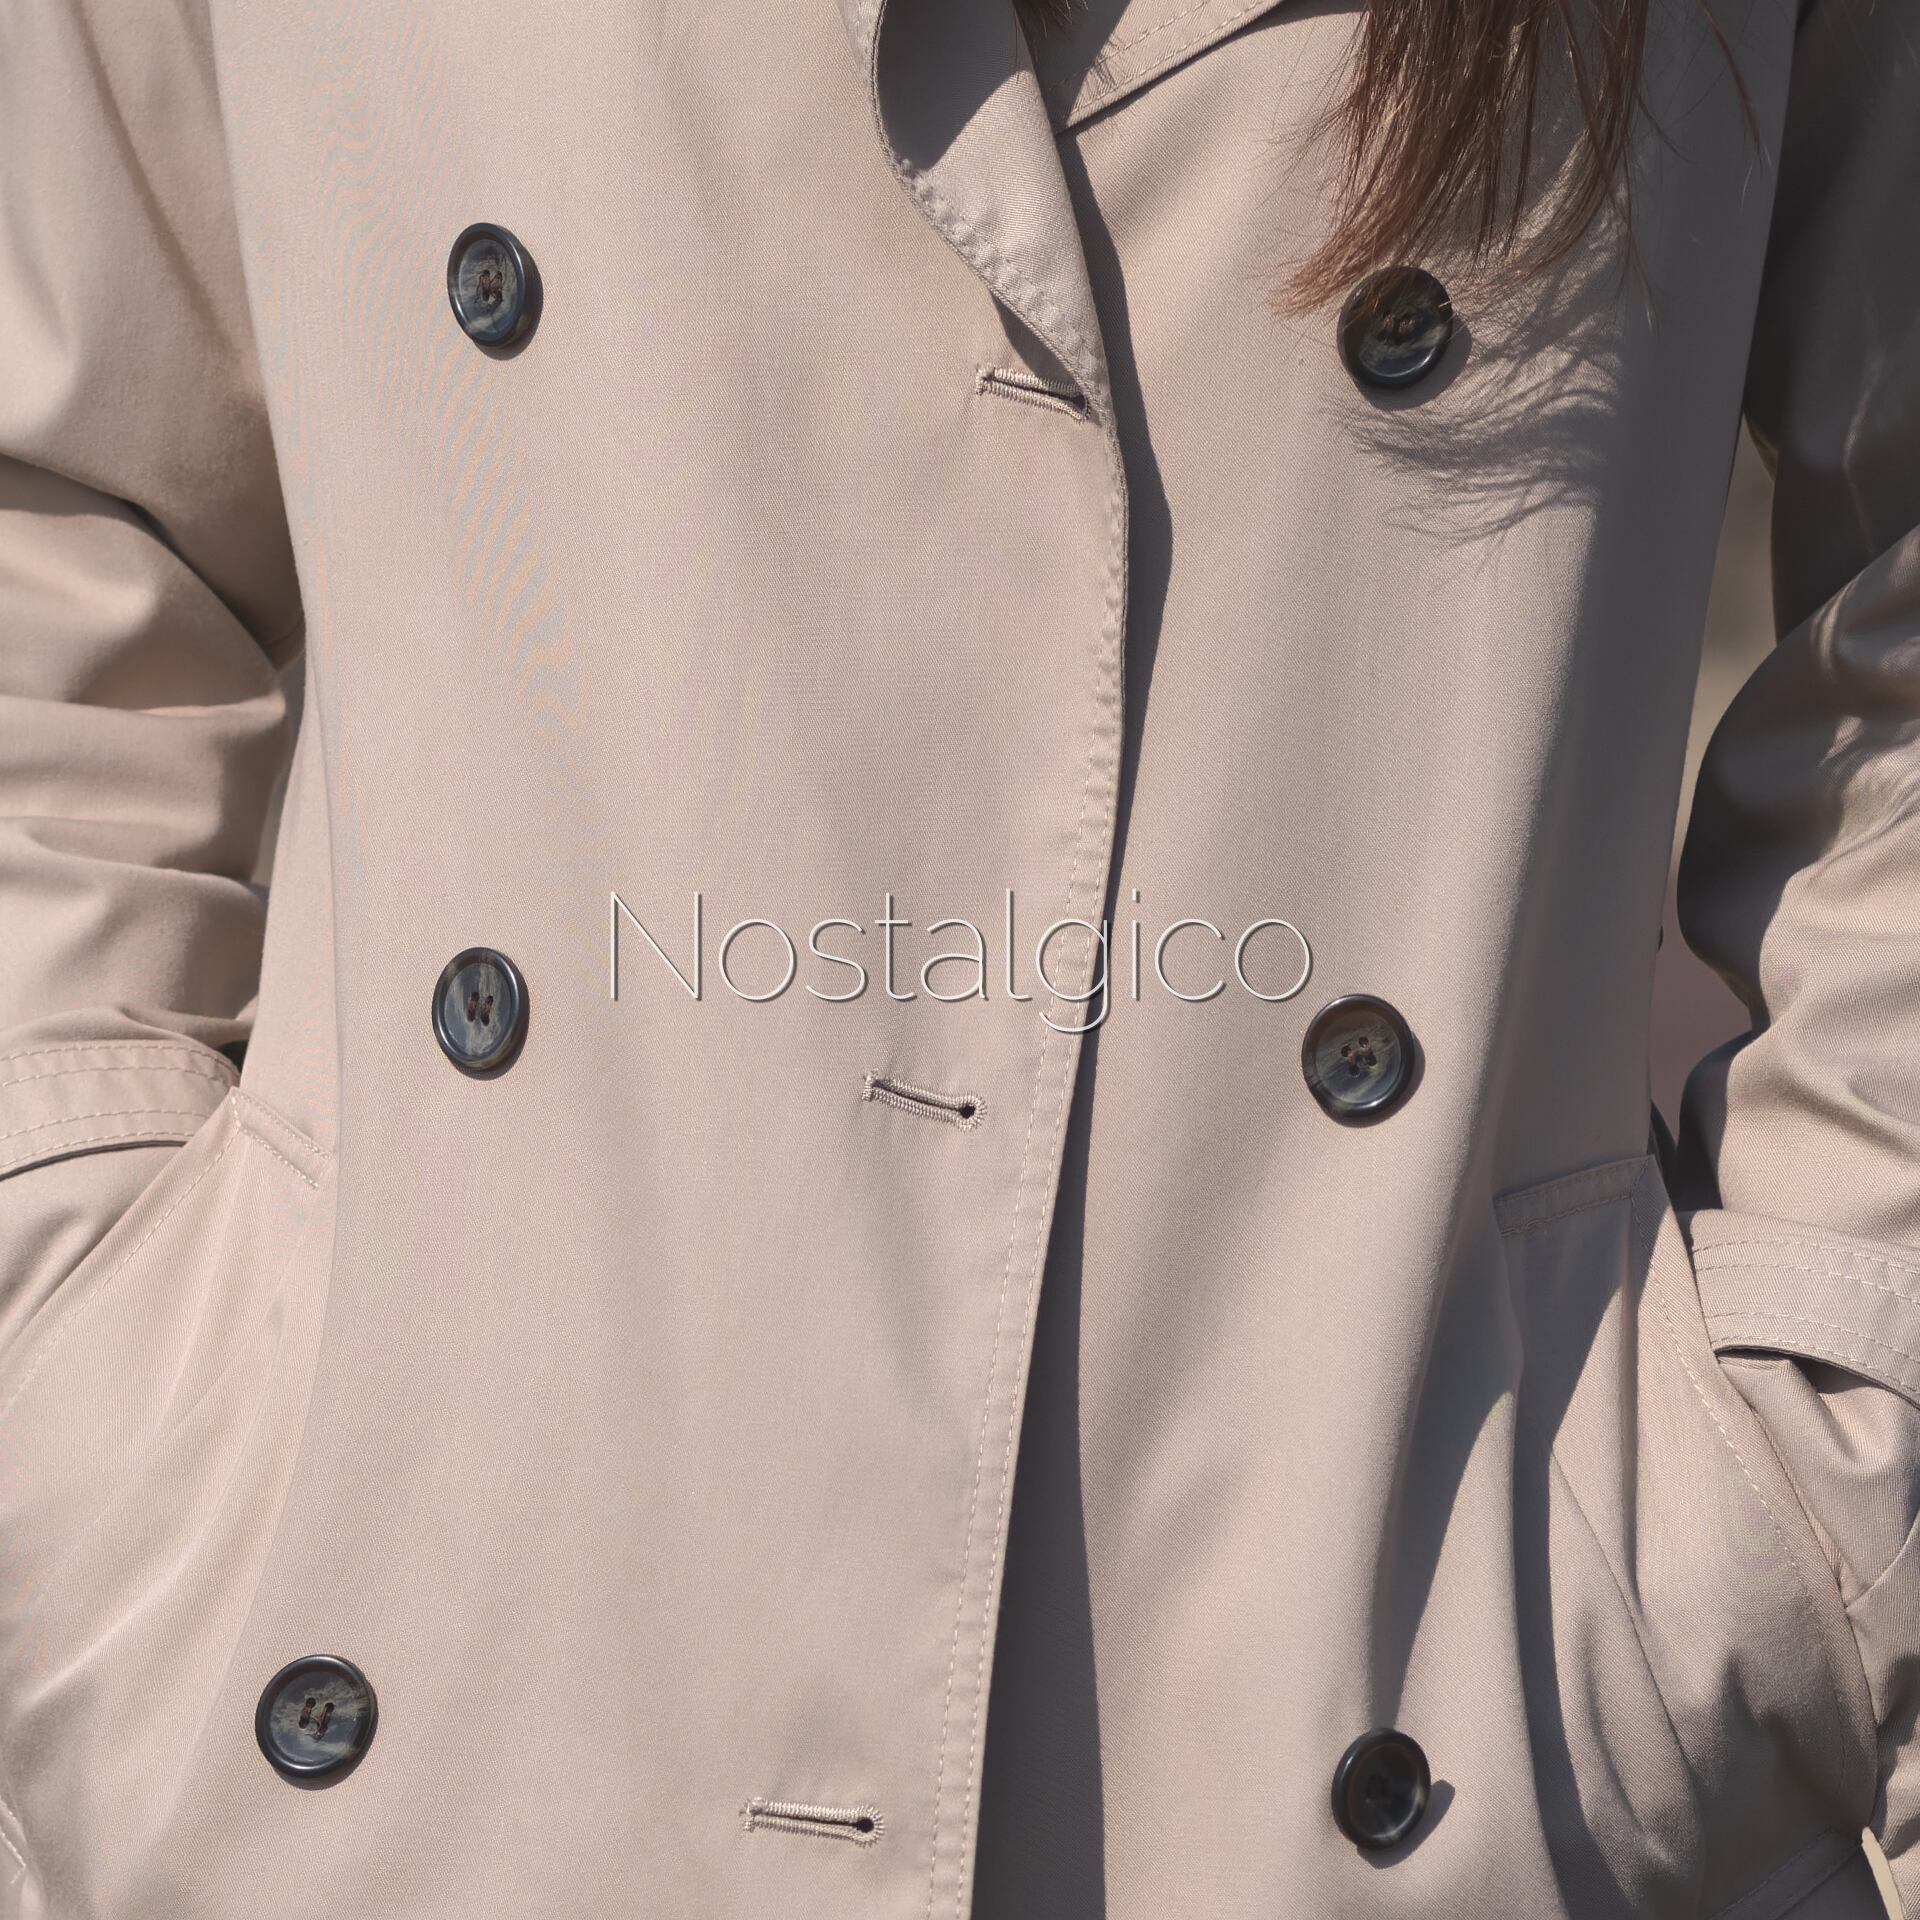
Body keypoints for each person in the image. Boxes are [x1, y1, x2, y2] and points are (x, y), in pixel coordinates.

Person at [0, 0, 1914, 1911]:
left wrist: (1813, 1470)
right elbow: (62, 518)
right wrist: (83, 1391)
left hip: (1435, 1716)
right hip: (412, 1700)